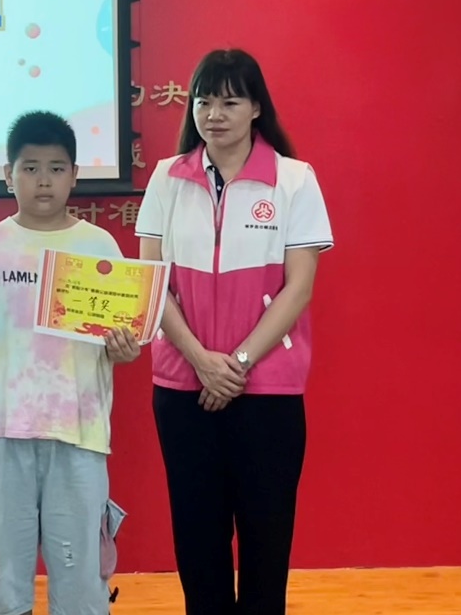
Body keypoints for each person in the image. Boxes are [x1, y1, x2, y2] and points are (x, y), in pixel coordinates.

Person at [137, 48, 333, 615]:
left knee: (266, 543)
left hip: (267, 391)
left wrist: (238, 364)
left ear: (256, 108)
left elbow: (298, 288)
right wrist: (201, 360)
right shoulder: (166, 180)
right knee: (198, 544)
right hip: (183, 387)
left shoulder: (294, 180)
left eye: (229, 102)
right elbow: (152, 281)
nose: (214, 115)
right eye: (203, 102)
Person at [0, 111, 141, 615]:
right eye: (30, 168)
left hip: (77, 431)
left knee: (80, 577)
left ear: (75, 175)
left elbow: (119, 340)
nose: (43, 180)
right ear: (8, 176)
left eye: (56, 168)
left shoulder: (98, 246)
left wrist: (124, 349)